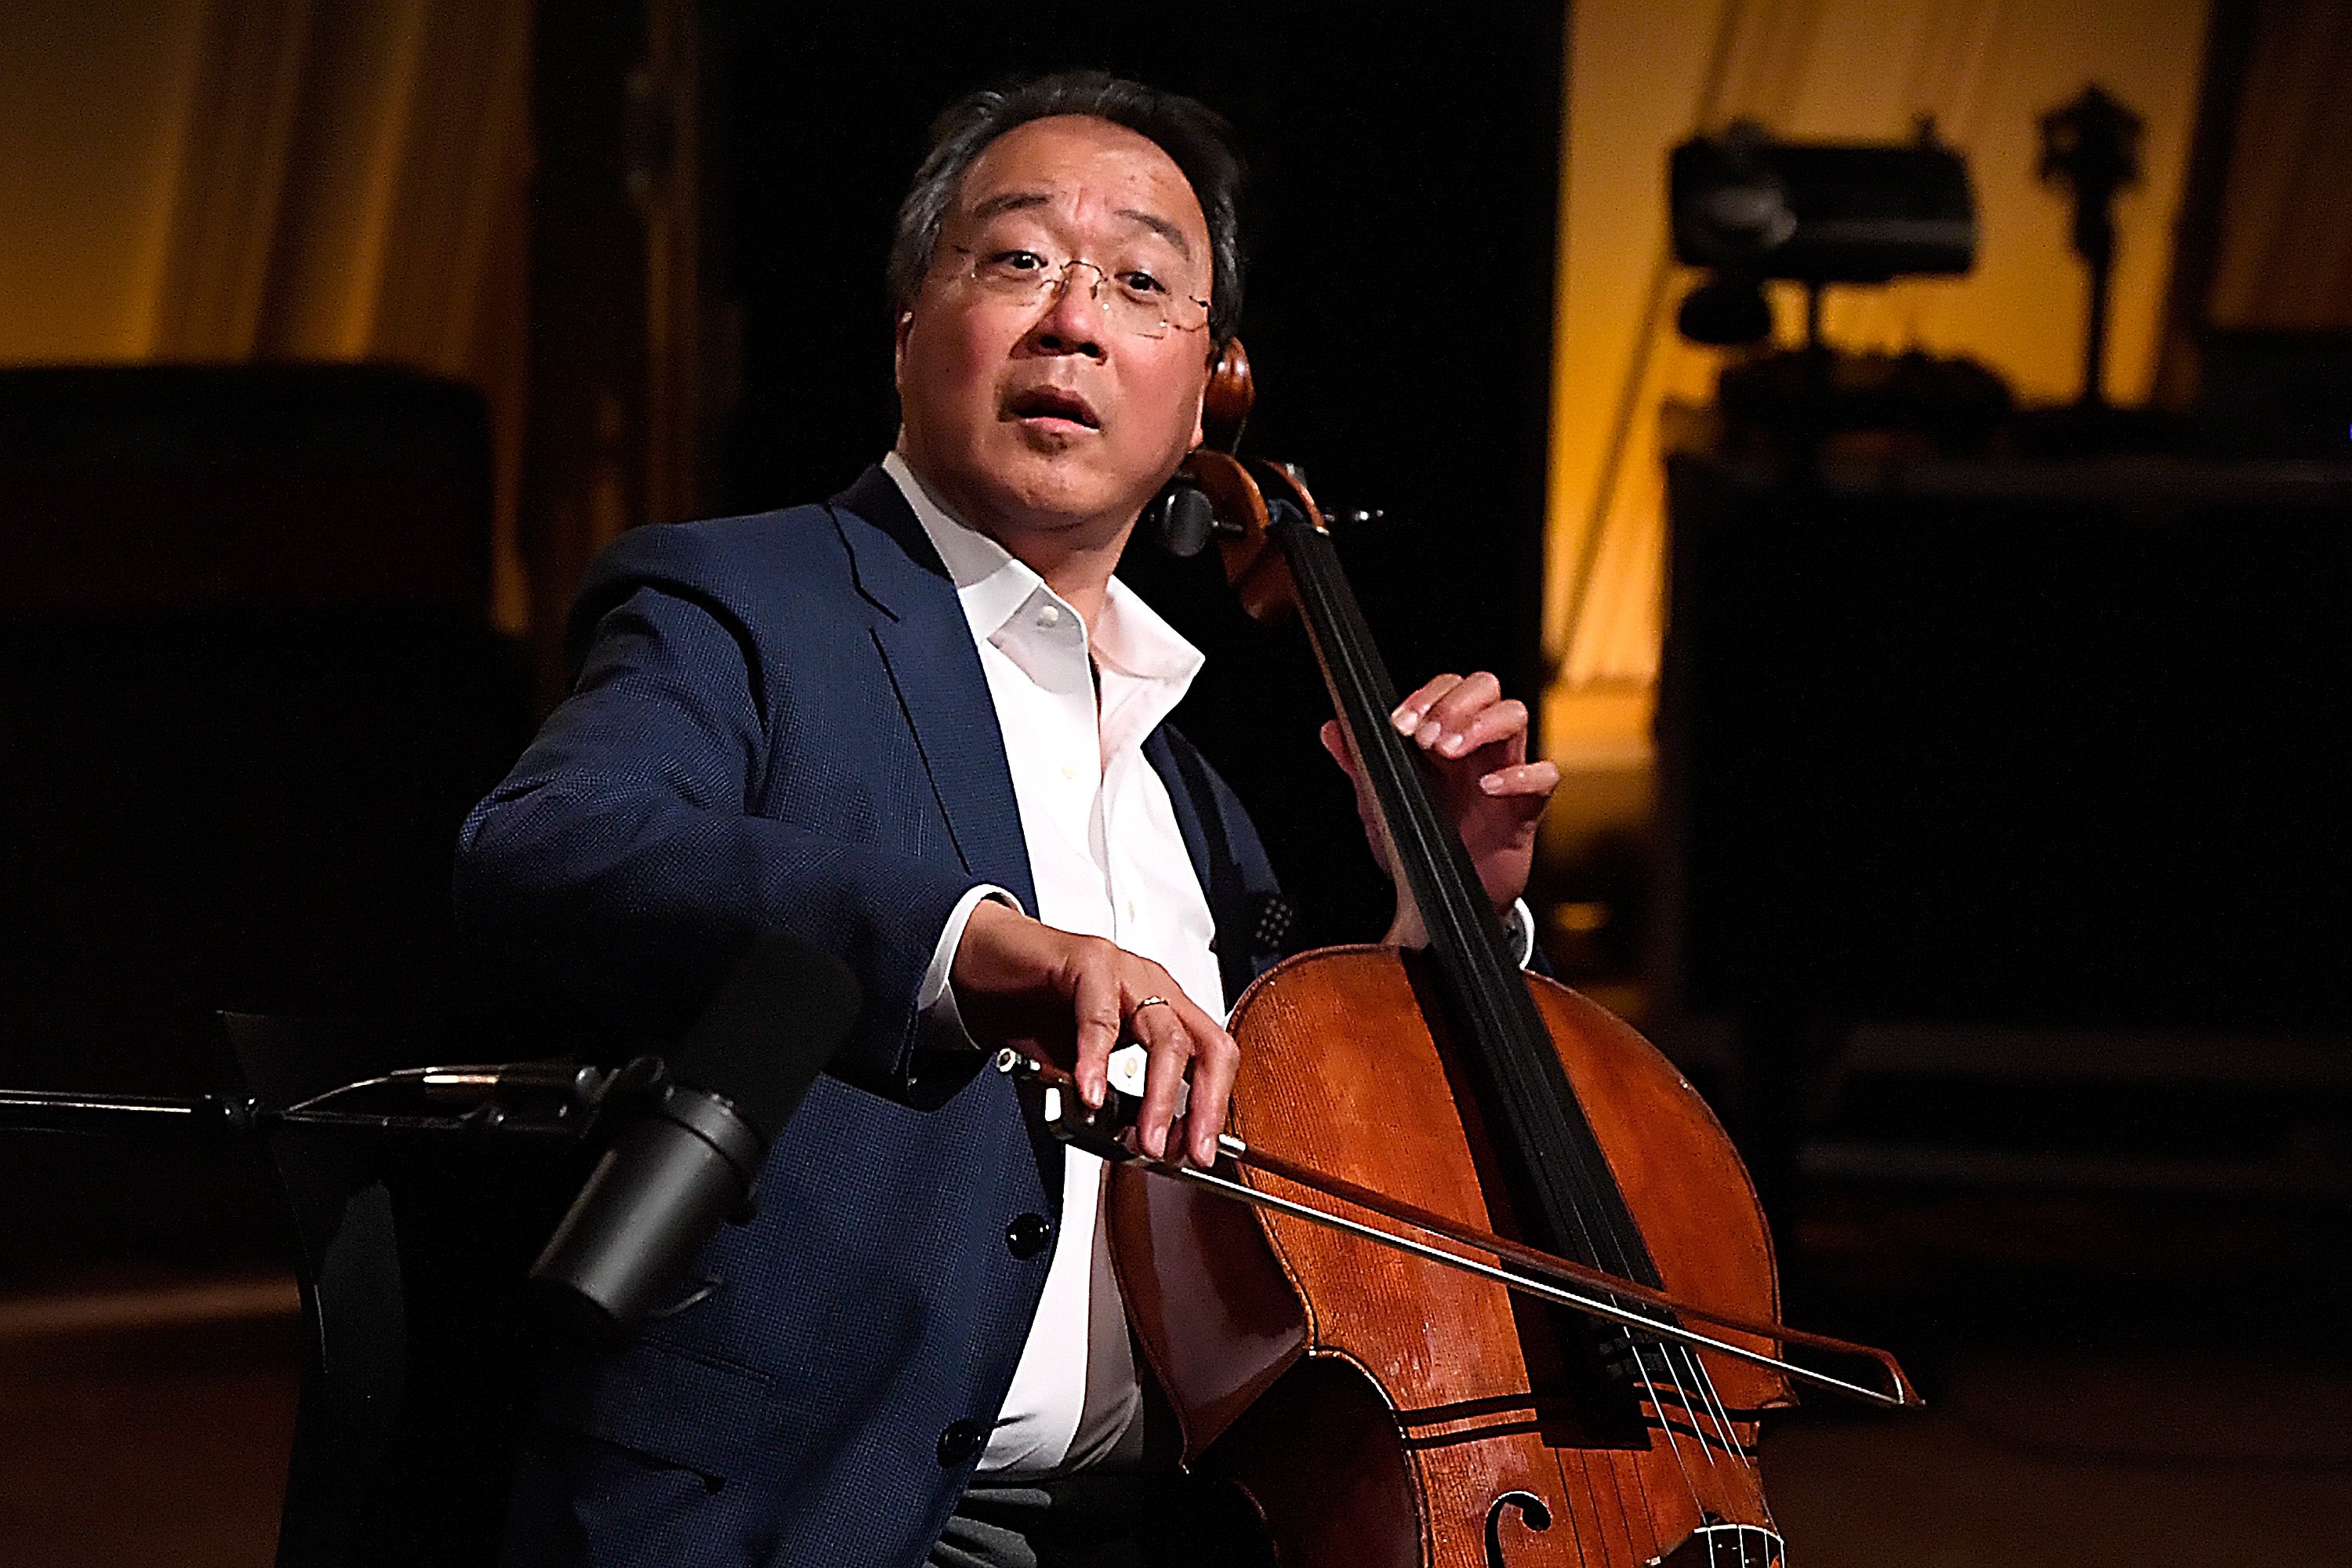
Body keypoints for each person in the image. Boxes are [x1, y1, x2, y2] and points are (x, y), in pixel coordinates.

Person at [457, 70, 1559, 1568]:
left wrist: (1450, 912)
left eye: (1140, 282)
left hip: (1180, 1527)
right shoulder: (745, 604)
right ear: (913, 323)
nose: (1072, 319)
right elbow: (554, 843)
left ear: (1210, 389)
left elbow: (1344, 1186)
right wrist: (974, 951)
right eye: (1019, 258)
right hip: (814, 1524)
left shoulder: (1191, 787)